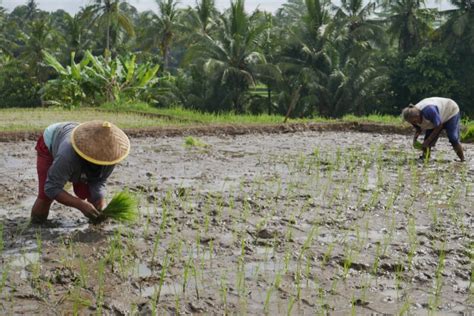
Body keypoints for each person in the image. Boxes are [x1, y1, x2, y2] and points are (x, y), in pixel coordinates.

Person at [31, 120, 130, 223]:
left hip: (75, 154)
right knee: (45, 197)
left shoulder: (110, 156)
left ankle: (95, 227)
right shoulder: (67, 155)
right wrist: (80, 204)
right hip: (51, 142)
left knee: (93, 196)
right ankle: (36, 228)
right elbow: (51, 187)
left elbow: (99, 181)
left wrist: (101, 202)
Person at [401, 97, 465, 161]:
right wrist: (415, 139)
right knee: (427, 138)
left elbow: (439, 126)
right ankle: (425, 158)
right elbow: (418, 128)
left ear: (418, 115)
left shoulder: (429, 110)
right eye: (412, 122)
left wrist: (427, 141)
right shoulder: (412, 118)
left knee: (453, 138)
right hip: (436, 117)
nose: (414, 123)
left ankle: (462, 159)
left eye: (415, 121)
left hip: (450, 111)